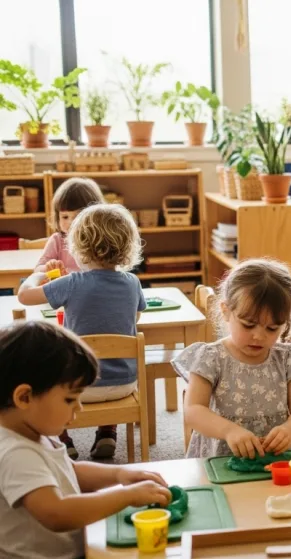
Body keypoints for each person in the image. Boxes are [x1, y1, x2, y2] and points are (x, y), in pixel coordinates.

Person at [0, 321, 170, 559]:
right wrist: (126, 496)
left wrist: (119, 475)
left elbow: (70, 470)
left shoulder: (33, 433)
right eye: (70, 400)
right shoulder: (15, 452)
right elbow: (56, 513)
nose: (78, 407)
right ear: (25, 397)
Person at [18, 204, 146, 460]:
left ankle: (63, 440)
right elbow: (136, 317)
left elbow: (24, 296)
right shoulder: (133, 282)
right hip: (125, 384)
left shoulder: (73, 283)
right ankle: (108, 432)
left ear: (79, 246)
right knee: (109, 362)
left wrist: (39, 274)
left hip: (79, 387)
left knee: (38, 368)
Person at [174, 259, 291, 459]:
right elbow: (194, 411)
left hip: (276, 456)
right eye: (248, 325)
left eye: (272, 328)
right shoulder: (210, 357)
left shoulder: (287, 358)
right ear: (226, 311)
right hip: (223, 456)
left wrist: (290, 430)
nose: (259, 336)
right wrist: (229, 430)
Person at [34, 177, 104, 274]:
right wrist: (49, 267)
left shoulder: (100, 240)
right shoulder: (57, 241)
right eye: (65, 217)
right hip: (64, 288)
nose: (71, 223)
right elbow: (37, 270)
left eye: (78, 216)